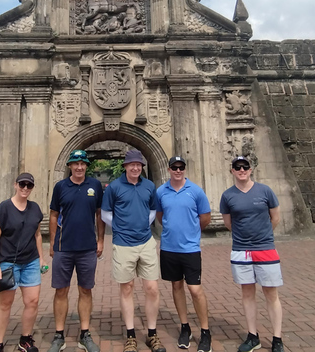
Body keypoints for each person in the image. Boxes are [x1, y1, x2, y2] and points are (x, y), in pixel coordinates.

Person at [101, 149, 166, 352]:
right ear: (126, 166)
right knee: (127, 287)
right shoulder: (115, 187)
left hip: (145, 241)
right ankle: (130, 335)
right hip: (122, 243)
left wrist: (142, 226)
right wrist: (120, 228)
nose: (136, 167)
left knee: (152, 288)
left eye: (139, 164)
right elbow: (105, 213)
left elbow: (153, 210)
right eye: (132, 164)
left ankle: (152, 333)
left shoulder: (149, 186)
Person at [220, 156, 284, 352]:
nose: (241, 170)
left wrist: (262, 235)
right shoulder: (227, 196)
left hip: (265, 248)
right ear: (232, 170)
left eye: (245, 167)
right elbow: (228, 223)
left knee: (271, 293)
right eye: (237, 167)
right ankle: (252, 335)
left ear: (250, 169)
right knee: (247, 293)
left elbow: (275, 218)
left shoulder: (265, 191)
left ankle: (277, 338)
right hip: (241, 250)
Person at [48, 150, 105, 352]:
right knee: (61, 290)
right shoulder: (61, 187)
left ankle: (84, 333)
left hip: (88, 248)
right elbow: (53, 214)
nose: (79, 167)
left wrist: (101, 240)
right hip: (64, 247)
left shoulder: (95, 186)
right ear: (70, 166)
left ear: (86, 166)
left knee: (85, 289)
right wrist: (53, 242)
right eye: (76, 163)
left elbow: (99, 214)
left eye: (83, 164)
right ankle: (59, 334)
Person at [156, 156, 212, 352]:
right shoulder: (161, 191)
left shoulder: (195, 191)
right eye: (174, 167)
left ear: (184, 169)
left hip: (190, 249)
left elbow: (205, 217)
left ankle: (205, 331)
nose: (178, 171)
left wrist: (192, 232)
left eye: (181, 167)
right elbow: (160, 216)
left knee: (195, 289)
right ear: (169, 169)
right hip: (169, 248)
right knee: (176, 286)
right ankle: (185, 326)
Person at [0, 172, 48, 352]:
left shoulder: (35, 209)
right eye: (22, 184)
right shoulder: (4, 208)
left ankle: (25, 339)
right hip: (7, 262)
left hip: (30, 261)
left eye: (29, 185)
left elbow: (37, 234)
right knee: (5, 303)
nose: (25, 188)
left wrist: (41, 258)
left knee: (32, 301)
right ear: (15, 185)